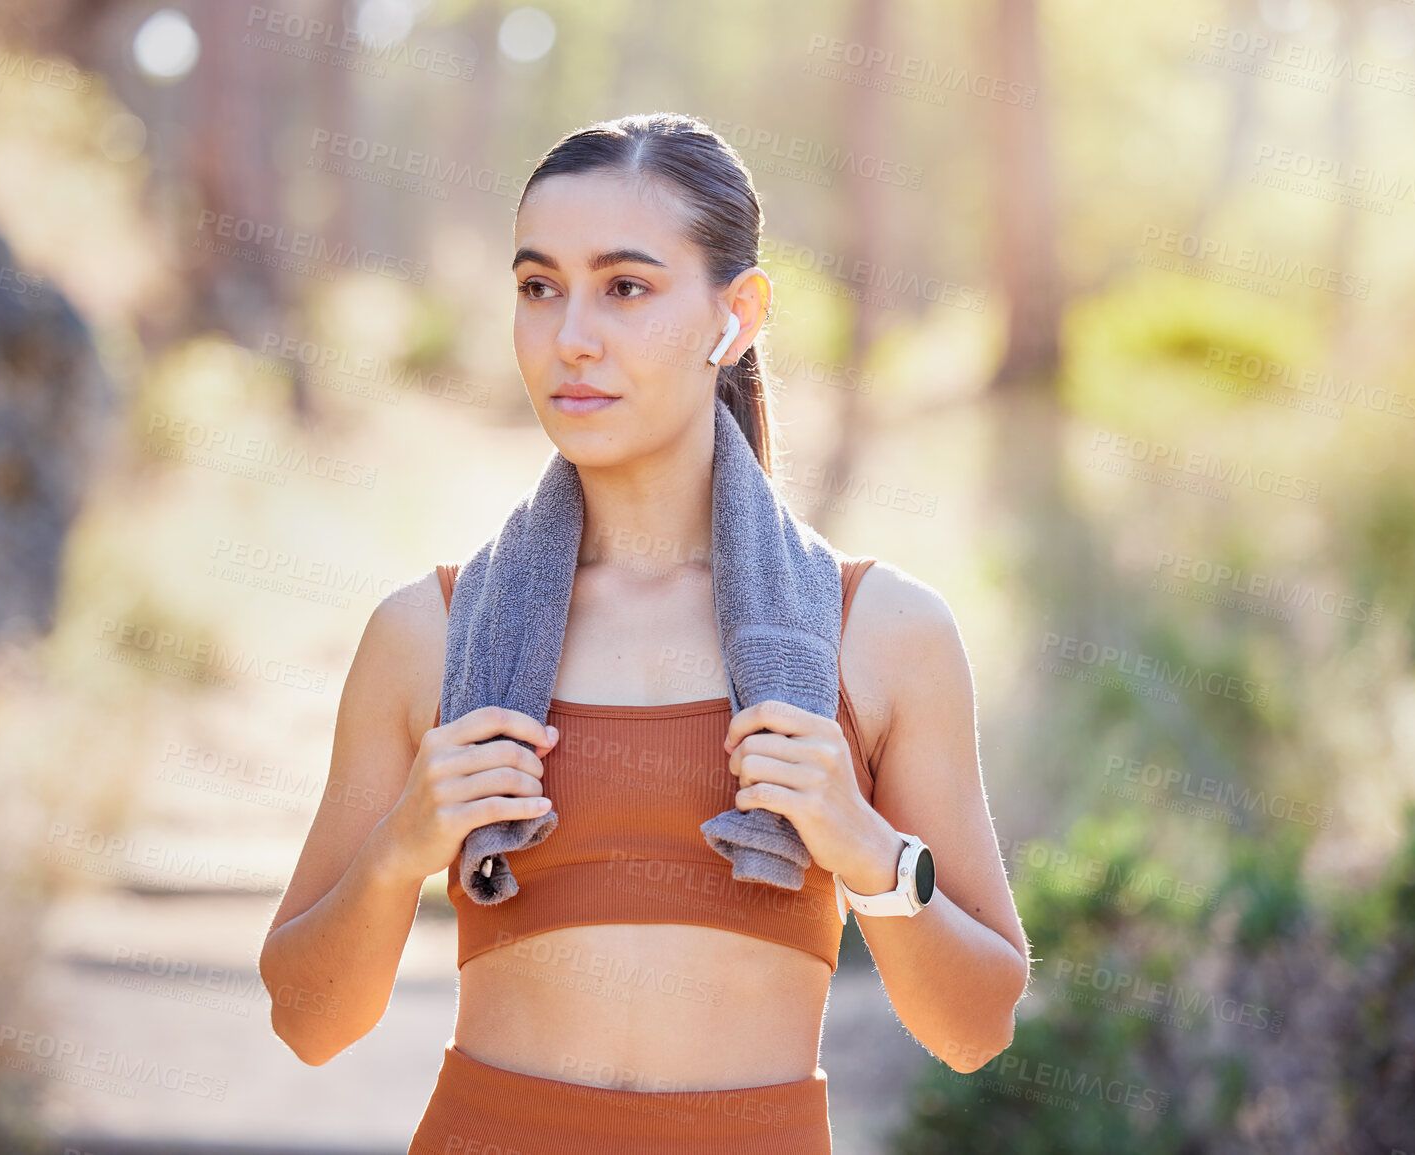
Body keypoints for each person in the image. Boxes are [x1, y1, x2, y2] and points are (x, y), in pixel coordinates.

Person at [258, 112, 1030, 1153]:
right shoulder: (428, 635)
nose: (571, 335)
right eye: (539, 287)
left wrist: (869, 852)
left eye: (625, 287)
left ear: (737, 316)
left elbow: (976, 1027)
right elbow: (309, 1022)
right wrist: (400, 850)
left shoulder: (880, 635)